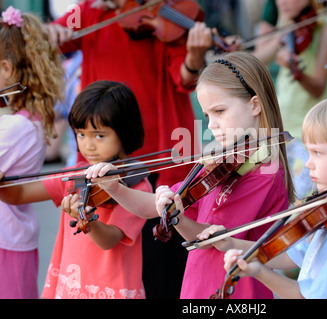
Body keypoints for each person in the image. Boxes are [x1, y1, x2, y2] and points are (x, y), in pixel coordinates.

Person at [69, 51, 296, 299]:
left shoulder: (264, 172)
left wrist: (178, 219)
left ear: (254, 105)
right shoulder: (223, 164)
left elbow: (213, 239)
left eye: (219, 111)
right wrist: (115, 188)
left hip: (236, 290)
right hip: (200, 284)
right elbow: (150, 208)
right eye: (207, 115)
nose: (211, 125)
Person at [44, 0, 215, 299]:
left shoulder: (164, 16)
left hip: (162, 153)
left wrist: (195, 57)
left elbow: (185, 76)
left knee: (163, 261)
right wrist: (51, 34)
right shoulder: (91, 12)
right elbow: (55, 35)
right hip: (101, 154)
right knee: (110, 258)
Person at [201, 94, 327, 299]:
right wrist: (231, 242)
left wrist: (258, 272)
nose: (308, 163)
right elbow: (289, 255)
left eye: (318, 153)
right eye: (309, 153)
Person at [0, 80, 151, 299]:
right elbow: (19, 194)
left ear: (125, 132)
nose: (88, 145)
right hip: (71, 287)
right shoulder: (74, 175)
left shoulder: (137, 185)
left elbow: (109, 240)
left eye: (99, 135)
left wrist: (87, 221)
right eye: (81, 134)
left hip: (112, 290)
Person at [0, 7, 64, 299]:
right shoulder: (28, 120)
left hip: (5, 241)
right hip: (14, 238)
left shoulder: (14, 128)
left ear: (6, 69)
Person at [254, 0, 327, 199]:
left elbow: (318, 88)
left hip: (310, 133)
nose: (282, 2)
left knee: (299, 203)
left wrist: (295, 71)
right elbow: (258, 61)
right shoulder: (290, 25)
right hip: (282, 130)